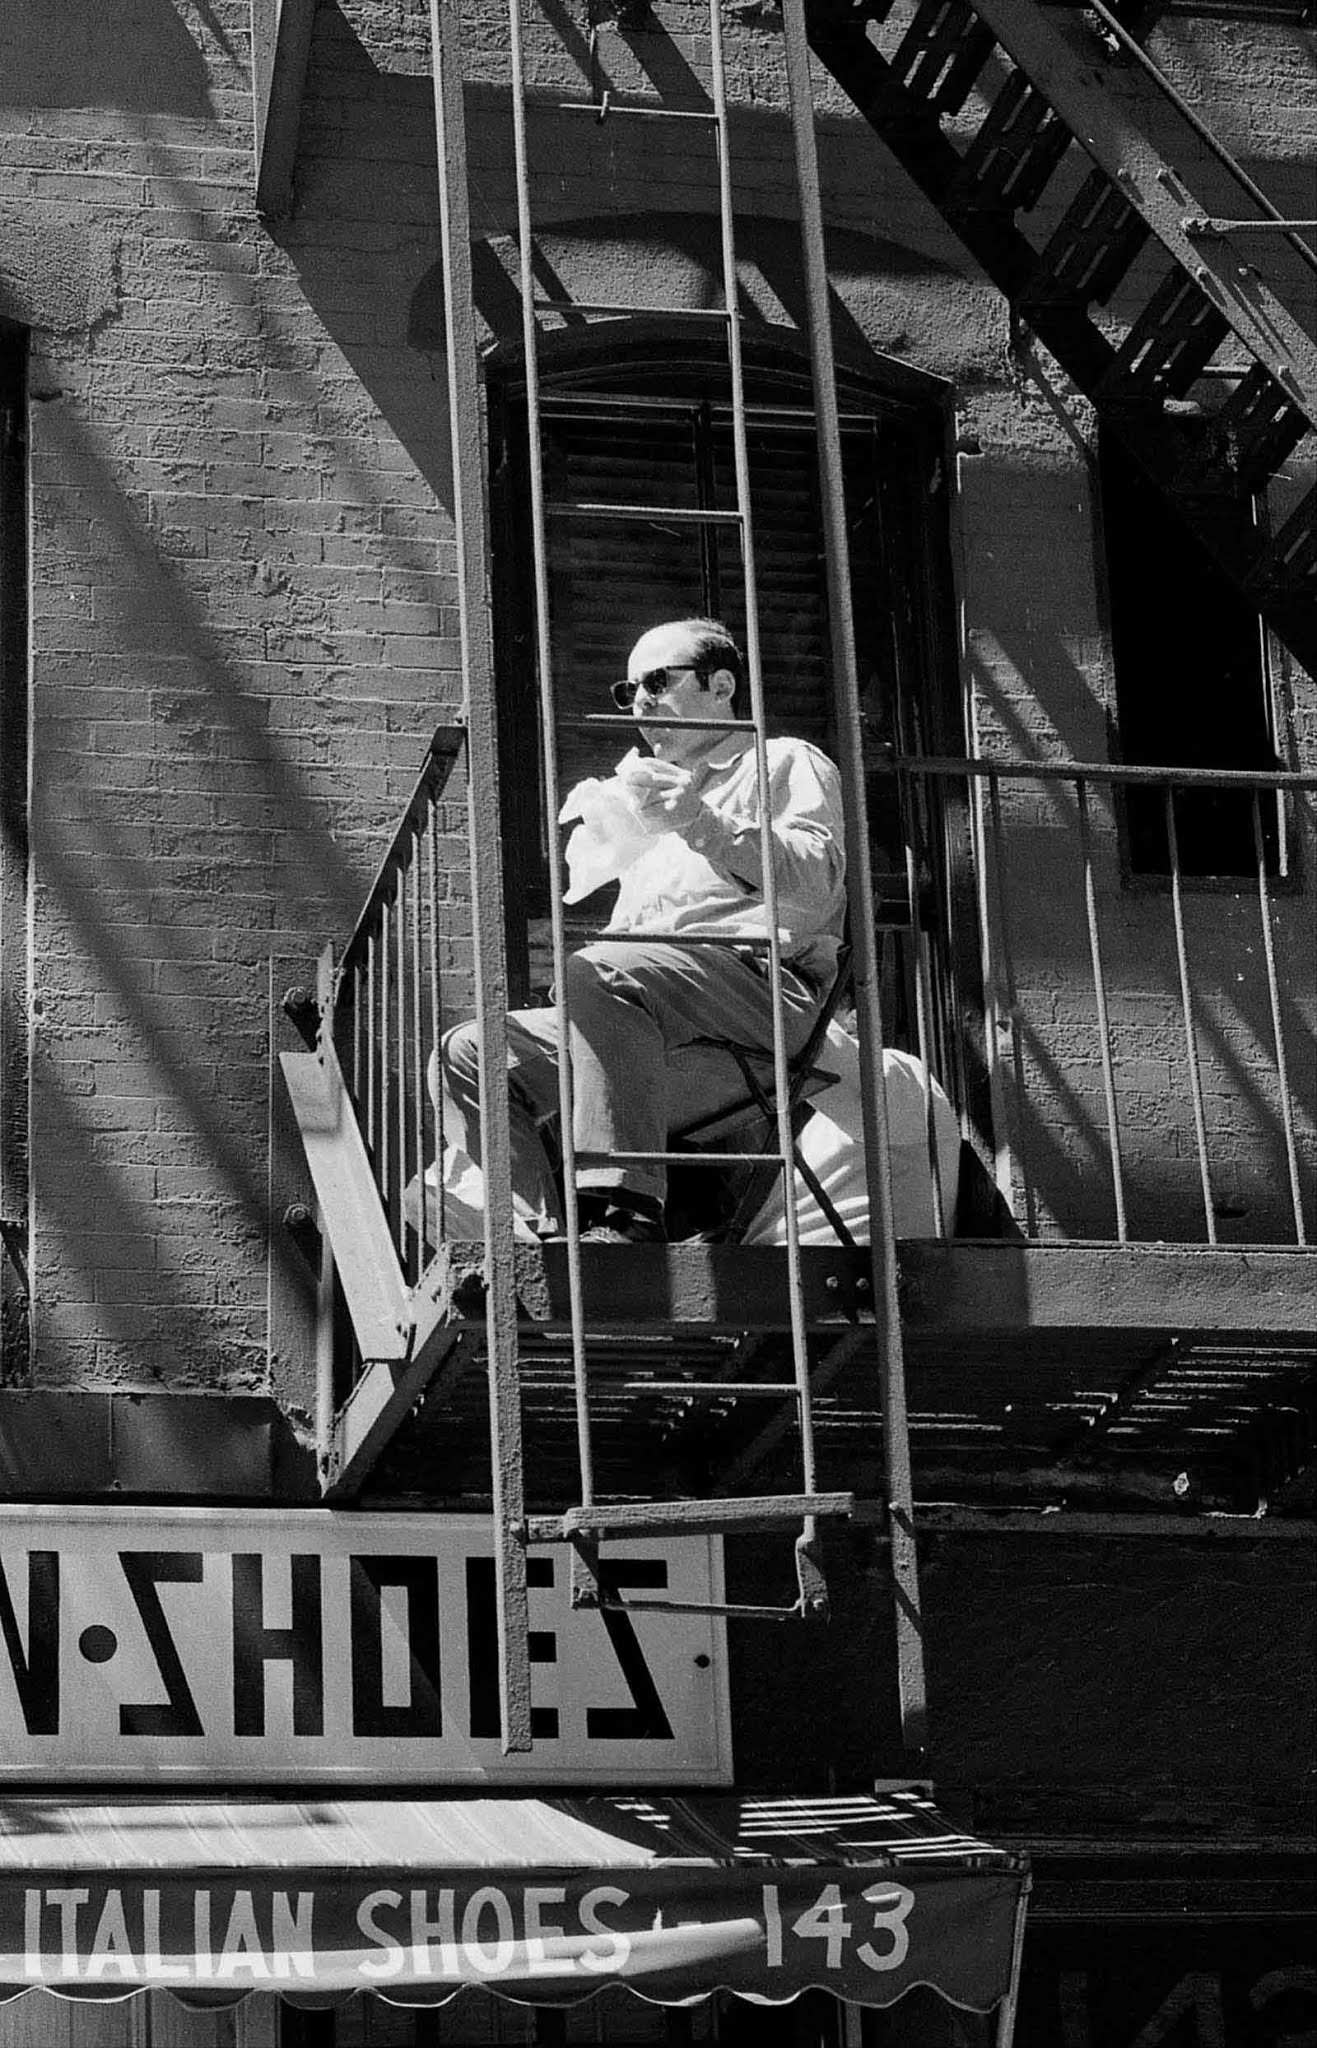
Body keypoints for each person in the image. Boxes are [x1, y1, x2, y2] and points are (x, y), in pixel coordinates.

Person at [438, 617, 847, 1243]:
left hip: (762, 994)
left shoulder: (783, 760)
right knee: (469, 1054)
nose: (641, 702)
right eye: (628, 692)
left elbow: (815, 882)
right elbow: (627, 950)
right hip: (658, 1016)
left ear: (721, 686)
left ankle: (621, 1207)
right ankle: (545, 1234)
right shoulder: (649, 804)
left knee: (600, 966)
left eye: (658, 680)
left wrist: (702, 822)